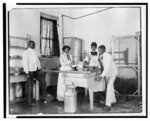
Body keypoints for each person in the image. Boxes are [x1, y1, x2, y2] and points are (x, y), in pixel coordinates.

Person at [22, 40, 48, 105]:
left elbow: (38, 61)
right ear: (28, 45)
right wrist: (27, 73)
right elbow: (25, 63)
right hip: (30, 71)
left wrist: (40, 69)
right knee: (30, 86)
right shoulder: (26, 52)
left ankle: (44, 97)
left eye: (34, 44)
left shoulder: (35, 52)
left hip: (37, 71)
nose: (33, 45)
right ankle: (29, 102)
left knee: (43, 82)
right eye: (32, 44)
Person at [98, 45, 118, 112]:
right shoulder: (101, 56)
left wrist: (101, 76)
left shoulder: (108, 56)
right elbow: (103, 66)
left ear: (104, 50)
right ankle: (113, 101)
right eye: (99, 50)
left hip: (112, 73)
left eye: (100, 50)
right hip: (108, 73)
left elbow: (106, 68)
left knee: (109, 87)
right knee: (110, 87)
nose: (99, 51)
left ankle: (108, 105)